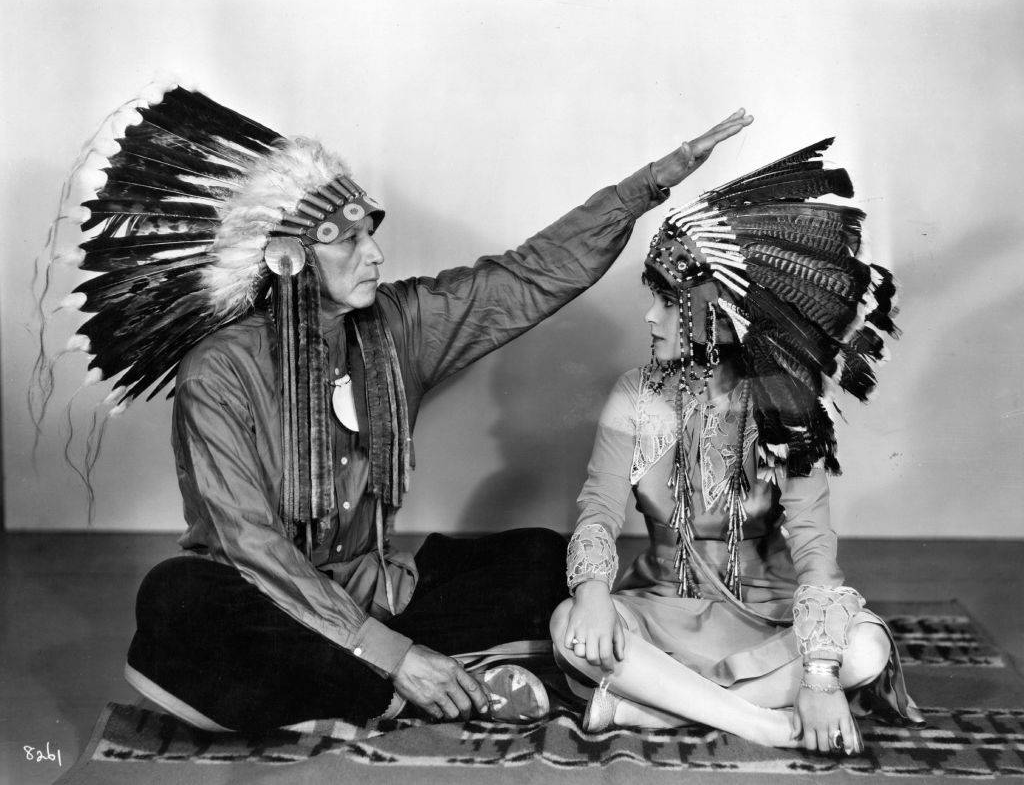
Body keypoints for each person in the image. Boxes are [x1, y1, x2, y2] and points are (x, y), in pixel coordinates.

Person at [56, 82, 752, 731]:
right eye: (349, 239)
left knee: (542, 560)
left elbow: (526, 277)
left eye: (371, 234)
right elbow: (250, 543)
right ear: (287, 258)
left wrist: (649, 184)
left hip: (376, 591)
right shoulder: (219, 371)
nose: (375, 255)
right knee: (178, 601)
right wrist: (393, 654)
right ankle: (400, 687)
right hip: (263, 601)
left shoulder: (396, 325)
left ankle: (363, 689)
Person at [549, 138, 923, 752]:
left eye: (668, 301)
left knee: (864, 650)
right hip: (661, 606)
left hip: (769, 616)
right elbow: (600, 506)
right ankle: (761, 722)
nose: (650, 317)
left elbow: (813, 544)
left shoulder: (788, 402)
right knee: (571, 627)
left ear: (721, 316)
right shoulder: (635, 393)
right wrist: (591, 593)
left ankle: (655, 711)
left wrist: (821, 674)